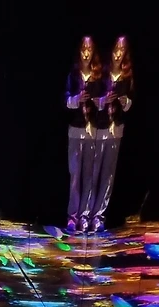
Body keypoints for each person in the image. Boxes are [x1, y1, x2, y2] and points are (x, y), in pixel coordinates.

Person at [83, 34, 131, 234]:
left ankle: (99, 216)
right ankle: (86, 215)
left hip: (115, 130)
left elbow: (130, 103)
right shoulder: (101, 74)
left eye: (122, 50)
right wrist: (103, 101)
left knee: (108, 176)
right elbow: (93, 101)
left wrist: (125, 102)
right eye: (116, 50)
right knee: (92, 173)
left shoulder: (127, 76)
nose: (118, 54)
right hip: (99, 128)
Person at [65, 36, 102, 234]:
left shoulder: (98, 76)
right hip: (76, 130)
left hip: (92, 131)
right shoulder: (73, 74)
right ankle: (72, 217)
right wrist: (77, 99)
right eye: (83, 48)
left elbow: (104, 103)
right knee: (75, 177)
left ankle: (85, 216)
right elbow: (66, 100)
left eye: (89, 49)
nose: (86, 52)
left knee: (89, 175)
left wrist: (99, 102)